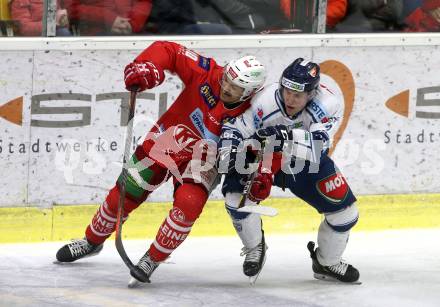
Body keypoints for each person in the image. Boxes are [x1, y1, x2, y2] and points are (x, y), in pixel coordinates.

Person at [55, 41, 266, 284]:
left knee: (188, 204)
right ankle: (91, 241)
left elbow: (264, 143)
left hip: (203, 162)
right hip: (167, 140)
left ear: (250, 92)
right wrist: (148, 66)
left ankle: (152, 259)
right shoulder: (209, 74)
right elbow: (169, 50)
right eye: (227, 79)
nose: (226, 86)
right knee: (123, 194)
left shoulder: (255, 111)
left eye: (235, 86)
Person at [217, 58, 360, 283]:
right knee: (235, 199)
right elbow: (235, 128)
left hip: (302, 160)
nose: (290, 99)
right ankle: (255, 247)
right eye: (287, 91)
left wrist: (285, 135)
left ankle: (327, 262)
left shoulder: (328, 104)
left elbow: (318, 147)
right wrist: (229, 156)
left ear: (311, 94)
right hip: (262, 153)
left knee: (346, 214)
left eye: (298, 95)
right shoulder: (264, 100)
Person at [65, 0, 152, 35]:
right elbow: (71, 8)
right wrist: (109, 19)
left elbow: (143, 2)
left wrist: (132, 24)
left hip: (132, 34)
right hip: (93, 37)